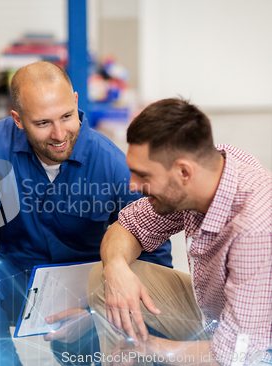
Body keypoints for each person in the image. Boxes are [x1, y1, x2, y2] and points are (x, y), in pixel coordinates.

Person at [0, 61, 172, 366]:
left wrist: (95, 316)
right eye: (43, 123)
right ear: (18, 119)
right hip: (19, 275)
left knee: (94, 350)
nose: (60, 134)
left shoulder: (111, 163)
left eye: (66, 116)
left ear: (76, 102)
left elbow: (154, 260)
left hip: (88, 294)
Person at [87, 98, 272, 366]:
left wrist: (151, 347)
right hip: (217, 311)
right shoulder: (210, 168)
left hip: (258, 347)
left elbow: (241, 355)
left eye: (142, 175)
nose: (133, 185)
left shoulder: (254, 230)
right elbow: (127, 226)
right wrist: (116, 267)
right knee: (105, 279)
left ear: (183, 172)